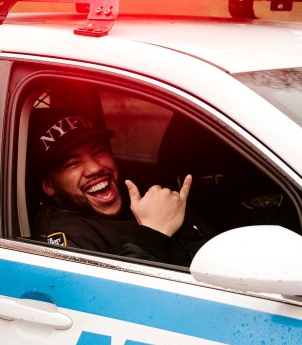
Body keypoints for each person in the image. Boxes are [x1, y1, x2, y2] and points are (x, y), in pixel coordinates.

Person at [29, 110, 210, 264]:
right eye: (72, 164)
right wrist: (153, 234)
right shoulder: (63, 234)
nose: (95, 168)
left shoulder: (145, 193)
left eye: (98, 151)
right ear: (49, 186)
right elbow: (103, 300)